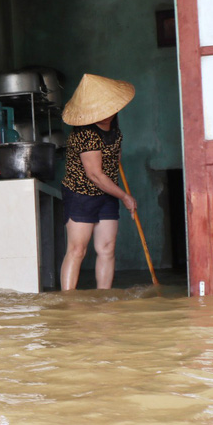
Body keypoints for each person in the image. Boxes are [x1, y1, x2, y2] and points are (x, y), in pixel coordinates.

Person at [59, 73, 137, 290]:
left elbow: (113, 160)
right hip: (80, 195)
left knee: (107, 248)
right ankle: (69, 302)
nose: (106, 114)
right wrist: (125, 197)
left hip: (107, 195)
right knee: (77, 250)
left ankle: (104, 299)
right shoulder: (85, 134)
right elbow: (95, 175)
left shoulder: (115, 131)